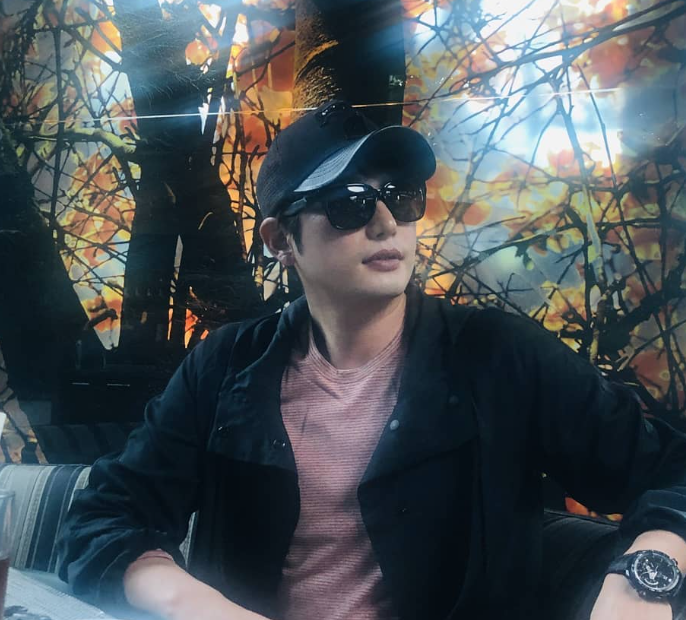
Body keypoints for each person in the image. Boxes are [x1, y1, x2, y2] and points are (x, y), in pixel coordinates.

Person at [57, 99, 686, 620]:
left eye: (401, 197)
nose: (386, 223)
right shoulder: (226, 369)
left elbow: (671, 471)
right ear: (280, 240)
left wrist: (644, 580)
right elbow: (102, 517)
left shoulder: (498, 357)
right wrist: (198, 605)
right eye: (350, 203)